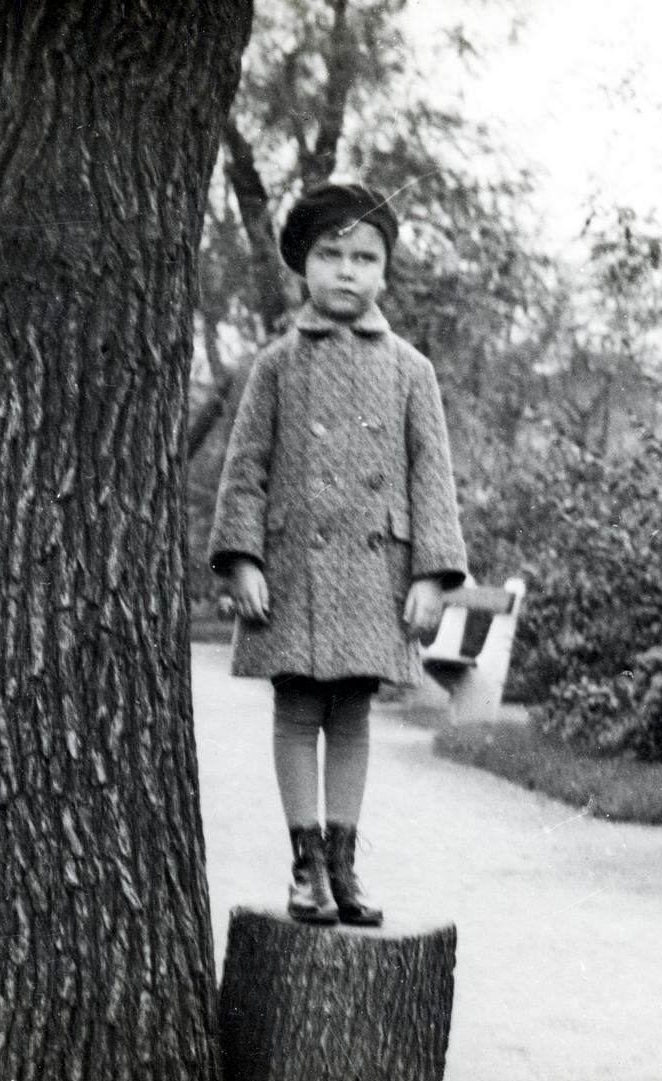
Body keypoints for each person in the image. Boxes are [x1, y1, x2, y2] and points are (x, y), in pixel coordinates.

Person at [207, 180, 468, 928]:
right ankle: (305, 865)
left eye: (364, 256)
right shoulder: (277, 365)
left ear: (386, 270)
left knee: (351, 713)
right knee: (295, 711)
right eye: (330, 254)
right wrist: (243, 558)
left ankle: (345, 864)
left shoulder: (410, 369)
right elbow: (246, 468)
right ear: (303, 266)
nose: (347, 271)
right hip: (292, 574)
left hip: (376, 573)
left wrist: (430, 574)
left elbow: (432, 477)